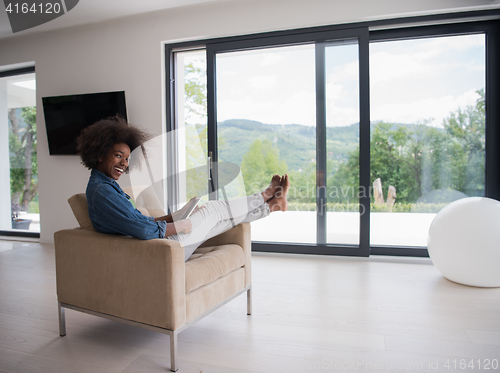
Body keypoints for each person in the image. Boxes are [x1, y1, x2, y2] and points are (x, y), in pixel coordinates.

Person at [76, 116, 290, 260]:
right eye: (118, 156)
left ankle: (271, 207)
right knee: (213, 209)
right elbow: (141, 229)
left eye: (127, 158)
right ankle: (265, 195)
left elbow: (137, 221)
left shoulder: (107, 186)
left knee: (219, 221)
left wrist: (174, 217)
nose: (124, 163)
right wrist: (180, 226)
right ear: (100, 153)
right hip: (160, 248)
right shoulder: (101, 191)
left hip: (160, 242)